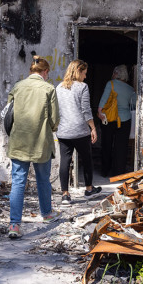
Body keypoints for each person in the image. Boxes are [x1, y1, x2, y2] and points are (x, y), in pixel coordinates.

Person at [6, 55, 60, 238]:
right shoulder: (48, 88)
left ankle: (14, 225)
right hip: (41, 142)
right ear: (45, 72)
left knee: (18, 182)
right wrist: (50, 127)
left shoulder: (18, 87)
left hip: (19, 141)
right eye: (48, 73)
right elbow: (54, 120)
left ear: (30, 71)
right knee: (43, 180)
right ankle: (47, 215)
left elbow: (8, 114)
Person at [56, 59, 102, 204]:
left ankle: (65, 195)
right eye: (84, 73)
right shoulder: (83, 87)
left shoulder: (59, 87)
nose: (85, 76)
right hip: (80, 130)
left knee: (65, 161)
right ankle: (89, 190)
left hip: (63, 130)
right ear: (78, 71)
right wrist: (93, 128)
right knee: (87, 159)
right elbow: (86, 110)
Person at [97, 64, 137, 177]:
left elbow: (104, 100)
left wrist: (99, 112)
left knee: (107, 145)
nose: (112, 74)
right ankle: (118, 173)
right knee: (121, 147)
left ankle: (105, 171)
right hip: (125, 120)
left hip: (109, 119)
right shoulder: (130, 89)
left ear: (117, 74)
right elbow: (133, 104)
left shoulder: (111, 83)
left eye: (114, 73)